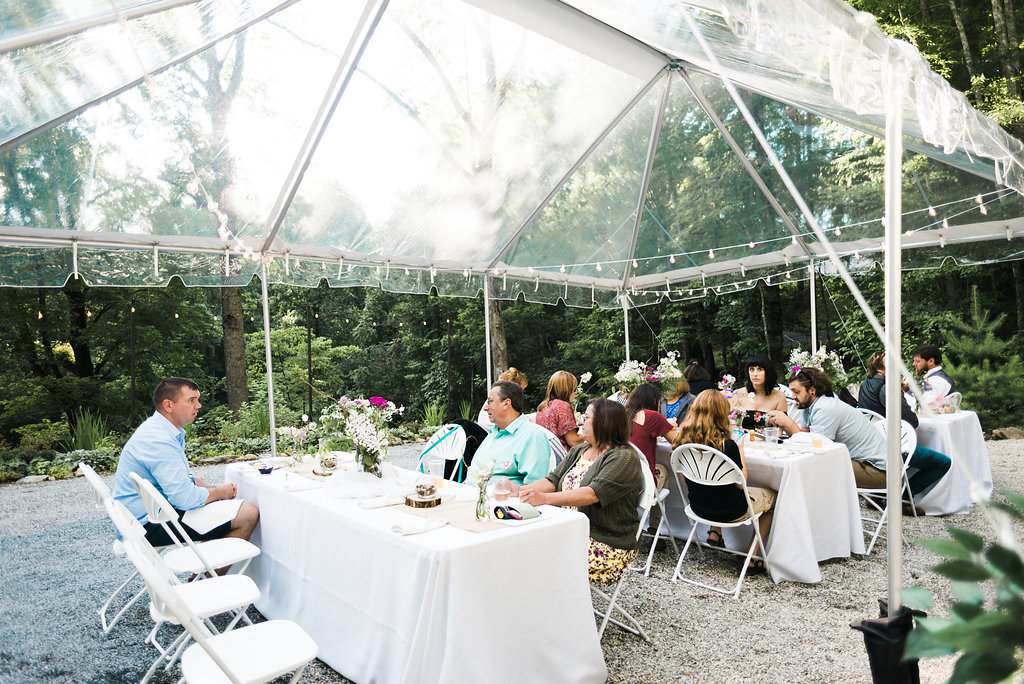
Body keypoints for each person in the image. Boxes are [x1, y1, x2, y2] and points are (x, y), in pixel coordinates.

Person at [112, 377, 259, 550]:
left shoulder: (160, 429)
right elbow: (184, 498)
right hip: (145, 524)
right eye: (191, 400)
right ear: (168, 405)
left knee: (220, 508)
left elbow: (185, 479)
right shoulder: (159, 440)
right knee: (247, 514)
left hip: (148, 514)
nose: (198, 406)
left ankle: (205, 569)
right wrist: (218, 491)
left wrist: (215, 495)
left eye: (197, 399)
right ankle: (208, 576)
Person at [519, 399, 643, 587]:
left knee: (534, 555)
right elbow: (552, 481)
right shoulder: (580, 450)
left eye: (586, 418)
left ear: (605, 422)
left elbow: (592, 494)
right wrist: (519, 490)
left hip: (604, 543)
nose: (580, 422)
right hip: (569, 530)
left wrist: (544, 499)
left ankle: (556, 608)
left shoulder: (624, 457)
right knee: (519, 543)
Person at [673, 390, 775, 572]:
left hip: (698, 507)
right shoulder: (726, 445)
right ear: (722, 414)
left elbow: (687, 482)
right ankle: (751, 557)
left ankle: (715, 532)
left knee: (715, 489)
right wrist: (741, 449)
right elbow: (740, 482)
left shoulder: (681, 442)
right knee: (773, 497)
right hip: (732, 511)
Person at [765, 368, 888, 490]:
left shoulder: (825, 407)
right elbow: (803, 438)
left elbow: (817, 449)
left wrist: (788, 423)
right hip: (862, 463)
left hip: (881, 472)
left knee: (818, 467)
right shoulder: (809, 405)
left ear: (812, 390)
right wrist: (785, 425)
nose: (792, 396)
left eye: (796, 392)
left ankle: (815, 507)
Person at [859, 351, 951, 497]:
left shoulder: (865, 385)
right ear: (880, 370)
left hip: (869, 448)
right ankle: (904, 497)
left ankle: (879, 494)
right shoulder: (888, 388)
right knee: (944, 463)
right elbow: (912, 422)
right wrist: (899, 392)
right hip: (891, 450)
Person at [475, 380, 551, 485]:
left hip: (502, 500)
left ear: (506, 403)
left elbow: (534, 487)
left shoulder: (532, 436)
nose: (485, 408)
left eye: (490, 401)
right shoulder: (493, 433)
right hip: (470, 497)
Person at [625, 383, 680, 474]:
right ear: (654, 401)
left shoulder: (622, 414)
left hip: (623, 473)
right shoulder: (652, 416)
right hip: (643, 479)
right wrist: (673, 429)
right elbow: (678, 441)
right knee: (664, 472)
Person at [732, 355, 788, 426]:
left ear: (768, 372)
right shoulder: (738, 394)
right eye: (752, 369)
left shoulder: (779, 396)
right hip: (742, 436)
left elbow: (781, 429)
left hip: (768, 436)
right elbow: (729, 423)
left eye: (760, 369)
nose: (755, 374)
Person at [535, 371, 584, 451]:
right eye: (574, 389)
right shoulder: (562, 406)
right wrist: (591, 434)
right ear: (567, 389)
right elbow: (574, 441)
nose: (576, 392)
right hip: (563, 457)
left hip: (548, 455)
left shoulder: (542, 406)